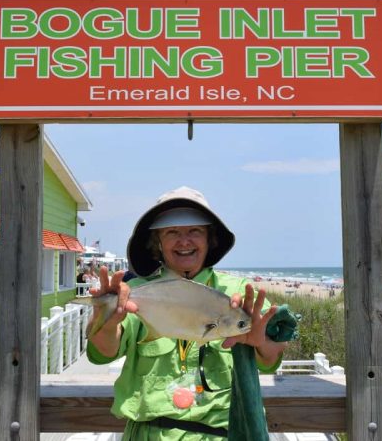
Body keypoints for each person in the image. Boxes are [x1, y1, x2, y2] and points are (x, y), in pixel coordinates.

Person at [86, 186, 286, 439]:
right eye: (172, 232)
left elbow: (270, 358)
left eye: (195, 231)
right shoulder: (133, 292)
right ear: (157, 242)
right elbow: (103, 353)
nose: (184, 241)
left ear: (209, 239)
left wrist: (262, 343)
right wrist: (105, 321)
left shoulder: (237, 295)